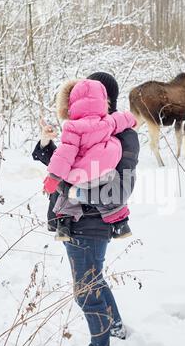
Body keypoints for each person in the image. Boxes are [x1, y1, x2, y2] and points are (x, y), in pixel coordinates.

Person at [32, 73, 140, 346]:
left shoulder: (123, 134)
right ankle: (114, 326)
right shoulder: (90, 126)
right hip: (72, 222)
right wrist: (46, 145)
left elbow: (120, 189)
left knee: (85, 290)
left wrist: (71, 187)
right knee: (95, 280)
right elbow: (69, 164)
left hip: (91, 225)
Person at [43, 79, 136, 240]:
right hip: (106, 172)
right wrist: (132, 120)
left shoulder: (72, 127)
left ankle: (63, 224)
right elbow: (124, 119)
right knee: (112, 198)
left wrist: (52, 178)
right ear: (103, 102)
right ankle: (121, 224)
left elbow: (63, 157)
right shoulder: (108, 121)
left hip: (81, 176)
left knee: (64, 186)